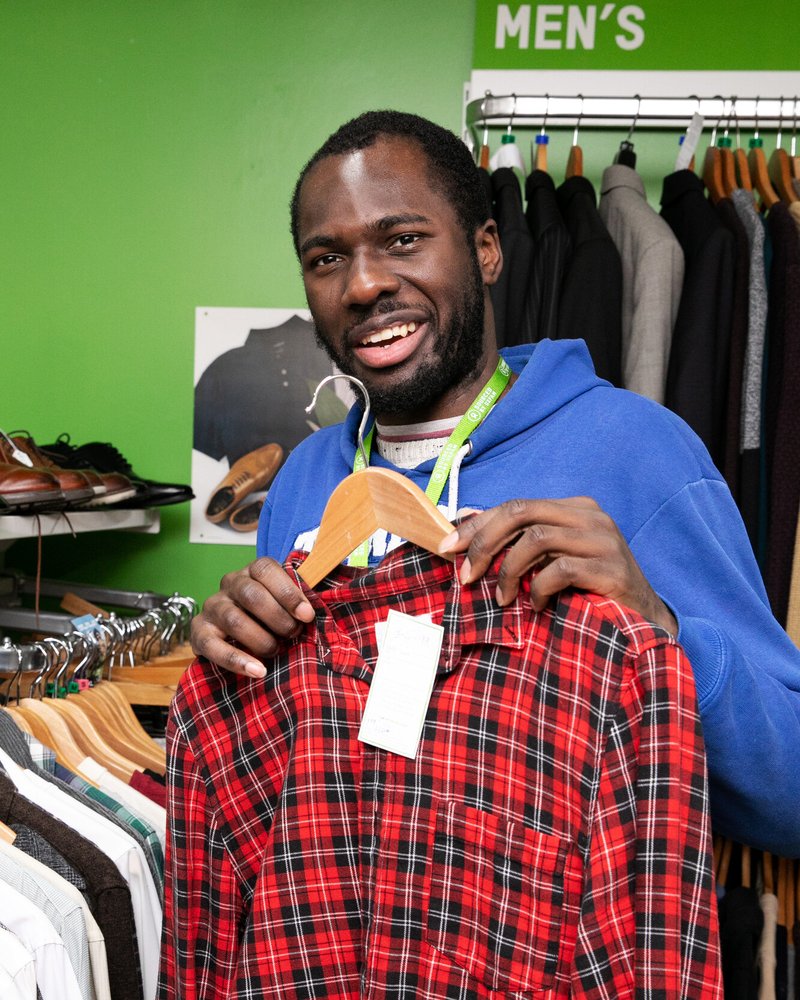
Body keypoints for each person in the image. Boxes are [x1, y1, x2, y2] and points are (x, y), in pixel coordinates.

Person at [190, 110, 800, 859]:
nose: (365, 283)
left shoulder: (637, 452)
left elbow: (790, 802)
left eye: (403, 240)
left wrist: (658, 630)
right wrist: (230, 659)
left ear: (485, 250)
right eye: (326, 259)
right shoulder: (306, 481)